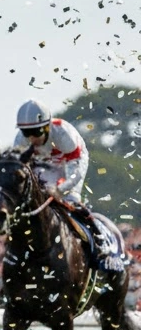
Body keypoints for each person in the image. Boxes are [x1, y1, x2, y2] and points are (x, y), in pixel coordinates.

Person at [12, 99, 114, 261]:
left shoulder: (63, 133)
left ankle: (98, 238)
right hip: (43, 164)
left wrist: (60, 189)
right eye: (27, 133)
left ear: (47, 127)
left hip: (70, 163)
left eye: (36, 132)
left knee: (70, 200)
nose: (31, 138)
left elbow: (76, 168)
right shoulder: (20, 140)